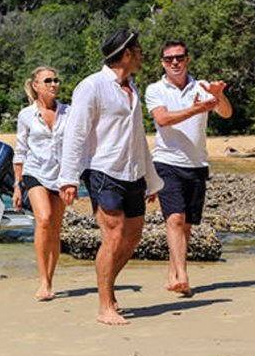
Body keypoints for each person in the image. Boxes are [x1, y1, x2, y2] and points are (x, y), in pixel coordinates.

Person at [60, 28, 164, 326]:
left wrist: (152, 179)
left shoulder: (132, 88)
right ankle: (105, 305)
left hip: (133, 172)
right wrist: (68, 178)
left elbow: (138, 137)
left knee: (132, 238)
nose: (143, 54)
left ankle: (107, 286)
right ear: (127, 54)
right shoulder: (91, 86)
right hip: (103, 170)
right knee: (114, 235)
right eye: (139, 50)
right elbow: (75, 134)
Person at [145, 40, 232, 297]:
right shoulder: (155, 89)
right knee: (175, 218)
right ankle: (183, 275)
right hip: (166, 161)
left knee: (187, 226)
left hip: (196, 164)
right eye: (169, 58)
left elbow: (226, 114)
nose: (175, 62)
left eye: (180, 57)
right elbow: (162, 119)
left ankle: (173, 275)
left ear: (187, 60)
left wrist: (218, 95)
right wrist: (196, 108)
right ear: (162, 62)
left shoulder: (202, 87)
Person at [12, 66, 70, 301]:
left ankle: (50, 278)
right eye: (48, 81)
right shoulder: (26, 115)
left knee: (55, 230)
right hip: (35, 173)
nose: (53, 84)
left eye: (56, 80)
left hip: (61, 176)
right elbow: (21, 150)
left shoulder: (69, 112)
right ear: (36, 86)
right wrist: (17, 184)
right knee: (44, 219)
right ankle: (43, 281)